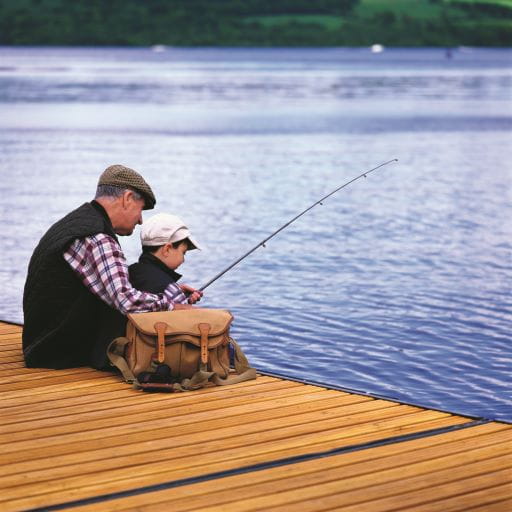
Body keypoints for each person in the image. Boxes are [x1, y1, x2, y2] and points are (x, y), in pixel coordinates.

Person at [22, 164, 199, 370]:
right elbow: (127, 301)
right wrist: (173, 306)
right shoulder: (97, 237)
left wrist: (165, 292)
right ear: (127, 198)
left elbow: (108, 287)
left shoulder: (75, 224)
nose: (141, 220)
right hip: (58, 352)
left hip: (41, 341)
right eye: (141, 209)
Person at [129, 213, 203, 304]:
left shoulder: (128, 273)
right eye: (183, 253)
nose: (183, 260)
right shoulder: (171, 291)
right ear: (167, 249)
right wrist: (178, 297)